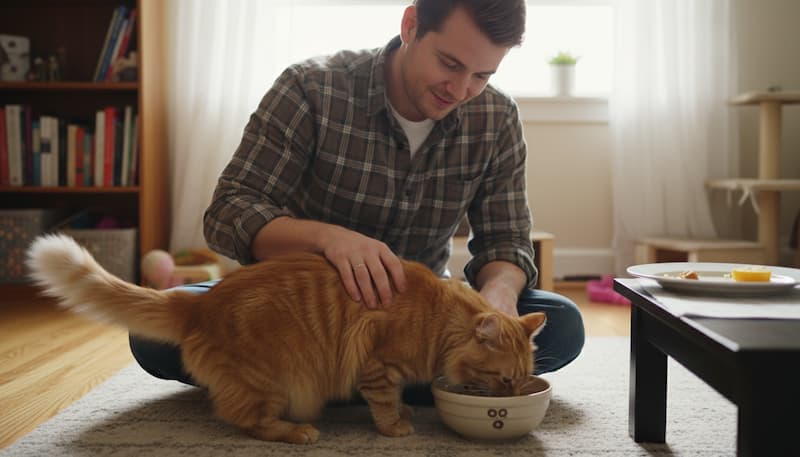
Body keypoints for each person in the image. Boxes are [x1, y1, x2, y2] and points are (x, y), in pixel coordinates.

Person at [130, 0, 585, 403]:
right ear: (410, 25)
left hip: (419, 330)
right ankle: (383, 382)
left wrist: (499, 298)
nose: (460, 89)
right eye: (449, 63)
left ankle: (332, 385)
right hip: (304, 323)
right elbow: (229, 212)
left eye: (482, 75)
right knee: (154, 335)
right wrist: (329, 240)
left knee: (564, 324)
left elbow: (507, 241)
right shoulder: (311, 88)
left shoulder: (496, 117)